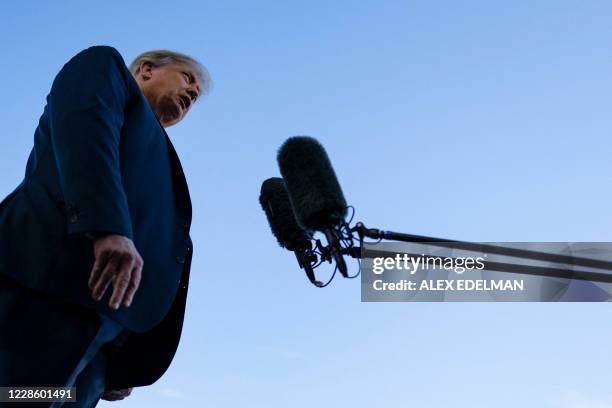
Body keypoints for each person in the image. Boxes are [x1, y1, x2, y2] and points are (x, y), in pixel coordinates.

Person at [0, 45, 210, 406]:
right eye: (187, 78)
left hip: (101, 345)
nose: (193, 92)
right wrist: (108, 227)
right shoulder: (106, 68)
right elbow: (86, 125)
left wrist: (120, 358)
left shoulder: (156, 155)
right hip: (52, 286)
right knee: (16, 398)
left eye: (197, 93)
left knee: (44, 398)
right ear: (145, 70)